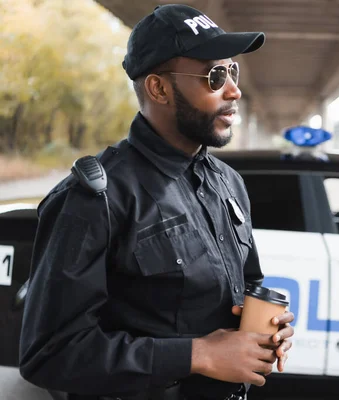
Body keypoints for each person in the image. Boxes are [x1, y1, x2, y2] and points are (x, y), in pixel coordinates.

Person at [19, 4, 294, 400]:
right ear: (159, 88)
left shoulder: (227, 182)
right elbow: (49, 354)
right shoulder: (96, 199)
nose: (233, 90)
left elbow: (247, 285)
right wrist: (196, 355)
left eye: (232, 70)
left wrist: (267, 327)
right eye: (214, 76)